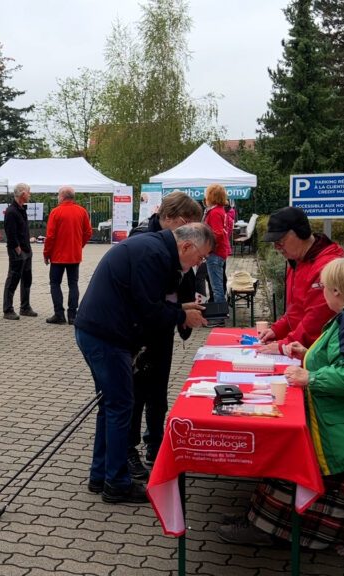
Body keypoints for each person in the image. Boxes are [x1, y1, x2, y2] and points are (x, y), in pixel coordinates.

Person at [218, 257, 344, 563]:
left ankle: (273, 527)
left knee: (291, 448)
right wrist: (310, 354)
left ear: (338, 290)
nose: (322, 292)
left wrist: (310, 376)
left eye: (324, 287)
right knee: (293, 438)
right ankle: (261, 518)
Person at [75, 223, 211, 503]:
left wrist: (180, 309)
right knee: (121, 405)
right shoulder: (155, 255)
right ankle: (116, 483)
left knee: (110, 405)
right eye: (200, 257)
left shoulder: (155, 248)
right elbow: (148, 309)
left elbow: (147, 301)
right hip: (106, 335)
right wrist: (181, 317)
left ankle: (101, 475)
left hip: (101, 330)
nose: (199, 264)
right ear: (186, 246)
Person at [125, 192, 205, 479]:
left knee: (158, 391)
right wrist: (179, 312)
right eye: (190, 223)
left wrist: (189, 305)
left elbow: (187, 276)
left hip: (164, 324)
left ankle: (155, 443)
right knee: (135, 393)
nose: (193, 232)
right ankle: (129, 450)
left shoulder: (181, 242)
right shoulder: (142, 239)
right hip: (140, 329)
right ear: (173, 218)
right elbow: (143, 296)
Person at [257, 206, 344, 354]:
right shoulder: (298, 260)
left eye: (280, 241)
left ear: (300, 232)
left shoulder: (326, 267)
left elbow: (316, 320)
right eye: (274, 243)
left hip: (322, 352)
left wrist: (284, 346)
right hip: (307, 349)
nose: (277, 247)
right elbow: (296, 308)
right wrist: (277, 329)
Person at [43, 186, 92, 325]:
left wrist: (46, 253)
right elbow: (88, 232)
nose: (58, 197)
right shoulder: (82, 211)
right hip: (74, 255)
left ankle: (59, 315)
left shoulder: (56, 212)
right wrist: (79, 245)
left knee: (55, 284)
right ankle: (72, 315)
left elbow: (50, 236)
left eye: (58, 195)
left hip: (58, 256)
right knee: (73, 284)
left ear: (63, 196)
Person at [2, 183, 37, 320]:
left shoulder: (21, 209)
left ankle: (25, 307)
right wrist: (18, 250)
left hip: (27, 249)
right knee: (13, 279)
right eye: (29, 192)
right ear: (22, 194)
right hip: (18, 251)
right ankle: (8, 309)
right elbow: (10, 233)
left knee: (27, 279)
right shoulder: (11, 211)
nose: (30, 195)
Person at [202, 184, 232, 305]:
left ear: (211, 196)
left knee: (216, 287)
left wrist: (206, 249)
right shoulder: (220, 210)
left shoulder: (214, 212)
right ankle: (220, 312)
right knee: (217, 284)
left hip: (214, 253)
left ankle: (219, 315)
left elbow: (217, 234)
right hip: (220, 252)